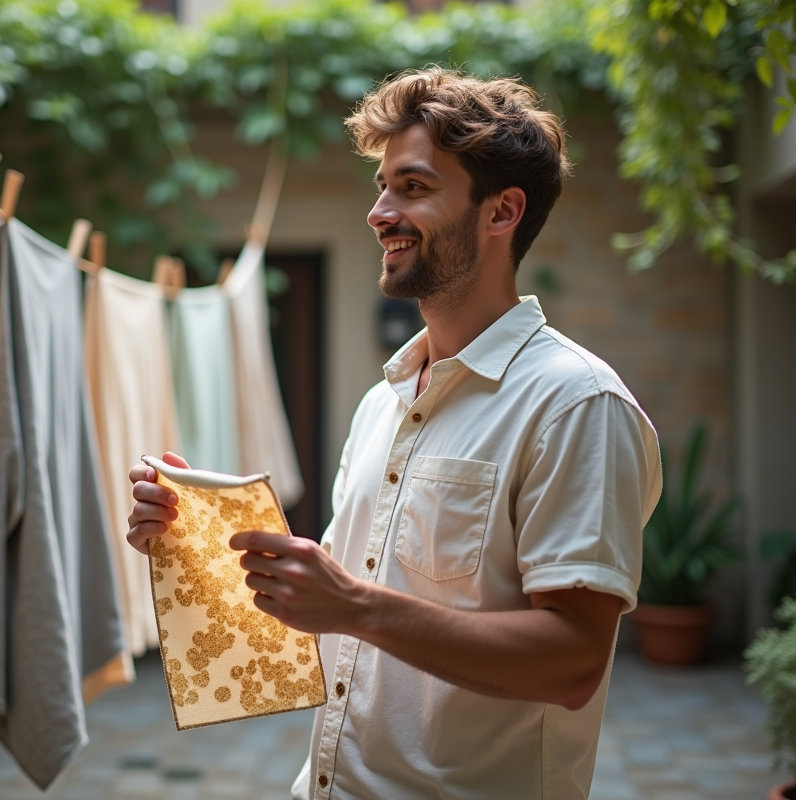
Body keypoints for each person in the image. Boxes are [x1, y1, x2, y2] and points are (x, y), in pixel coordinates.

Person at [127, 67, 662, 800]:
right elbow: (346, 631)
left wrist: (353, 603)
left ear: (501, 211)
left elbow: (571, 662)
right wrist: (197, 547)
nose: (379, 212)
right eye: (381, 187)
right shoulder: (382, 403)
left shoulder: (576, 403)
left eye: (412, 187)